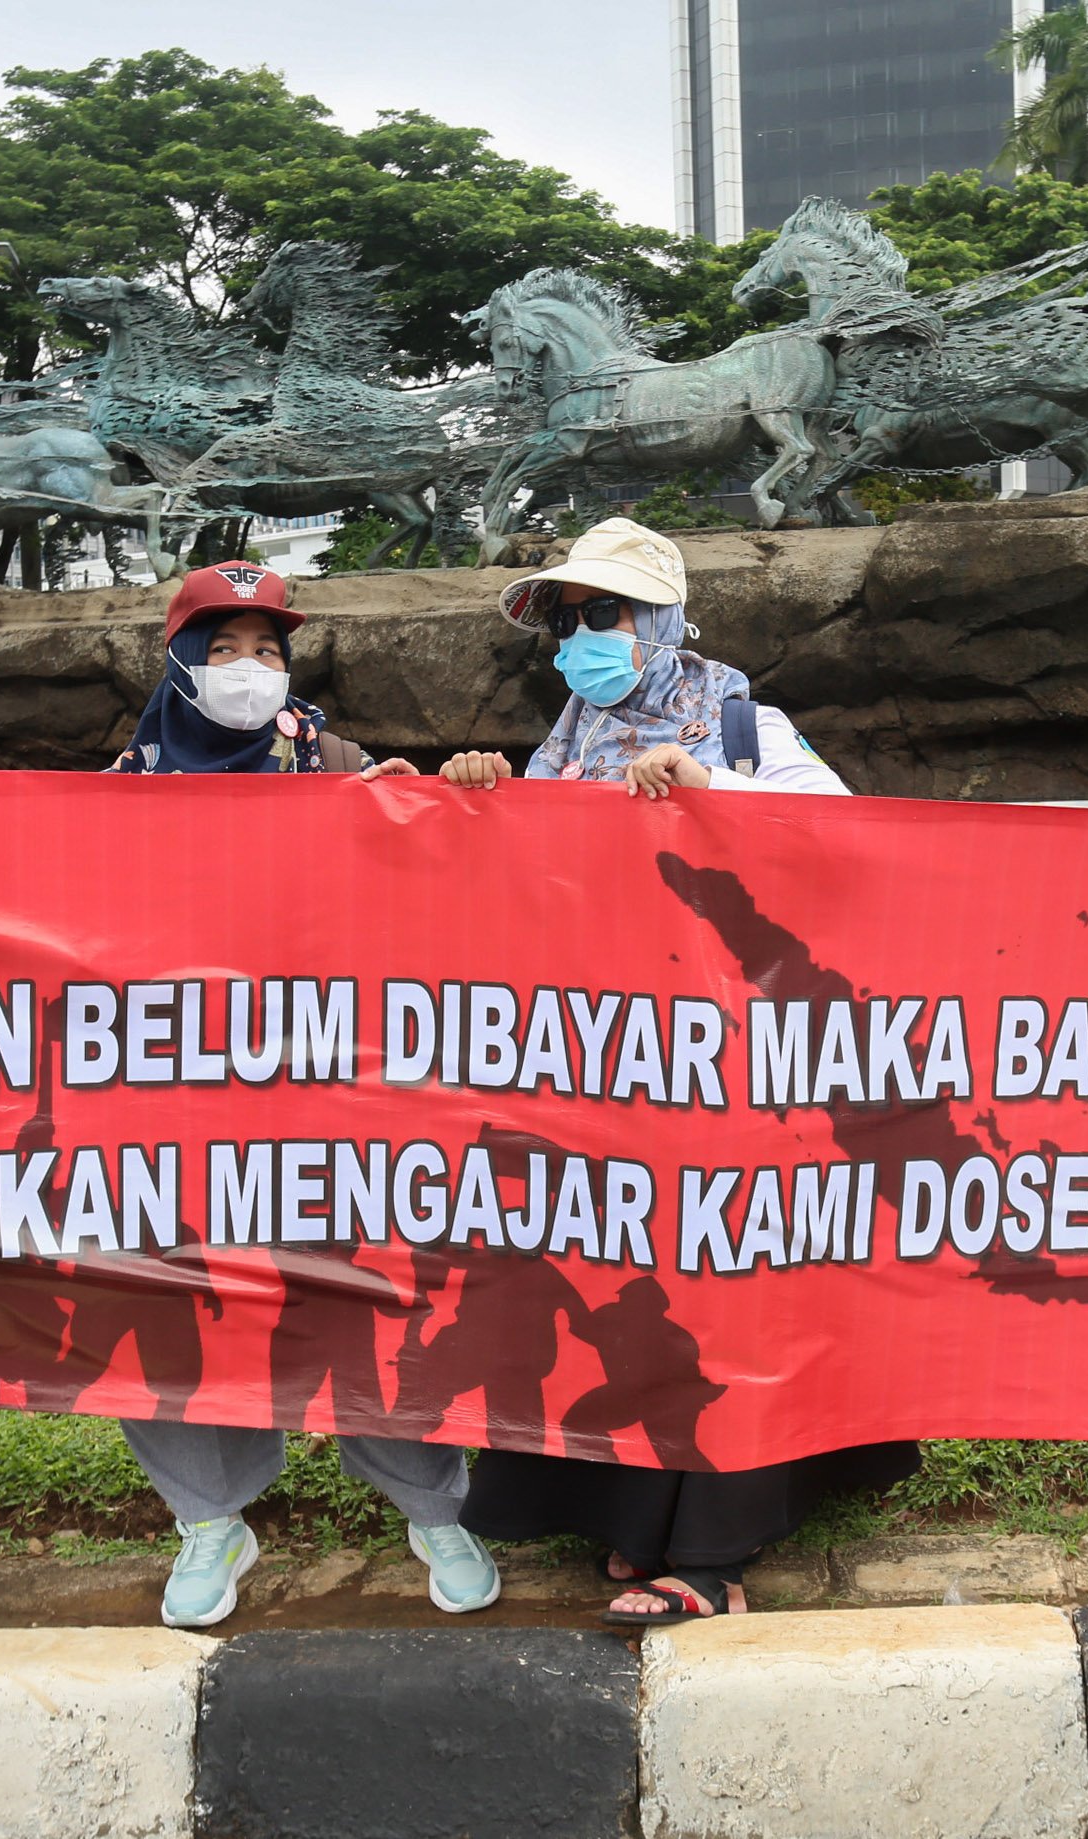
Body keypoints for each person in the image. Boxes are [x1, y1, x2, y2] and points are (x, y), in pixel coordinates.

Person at [438, 516, 918, 1624]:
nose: (582, 639)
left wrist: (711, 787)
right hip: (607, 1063)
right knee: (617, 1279)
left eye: (606, 614)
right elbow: (519, 887)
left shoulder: (745, 725)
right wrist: (478, 799)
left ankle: (710, 1554)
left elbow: (845, 840)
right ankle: (630, 1520)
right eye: (568, 621)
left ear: (662, 621)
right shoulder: (561, 748)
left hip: (732, 1064)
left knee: (725, 1283)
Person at [95, 559, 510, 1626]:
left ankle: (432, 1505)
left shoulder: (335, 762)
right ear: (179, 662)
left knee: (370, 1287)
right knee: (174, 1292)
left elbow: (427, 894)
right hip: (180, 1095)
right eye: (223, 649)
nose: (249, 669)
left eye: (268, 649)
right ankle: (209, 1519)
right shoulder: (120, 788)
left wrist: (433, 803)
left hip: (330, 1094)